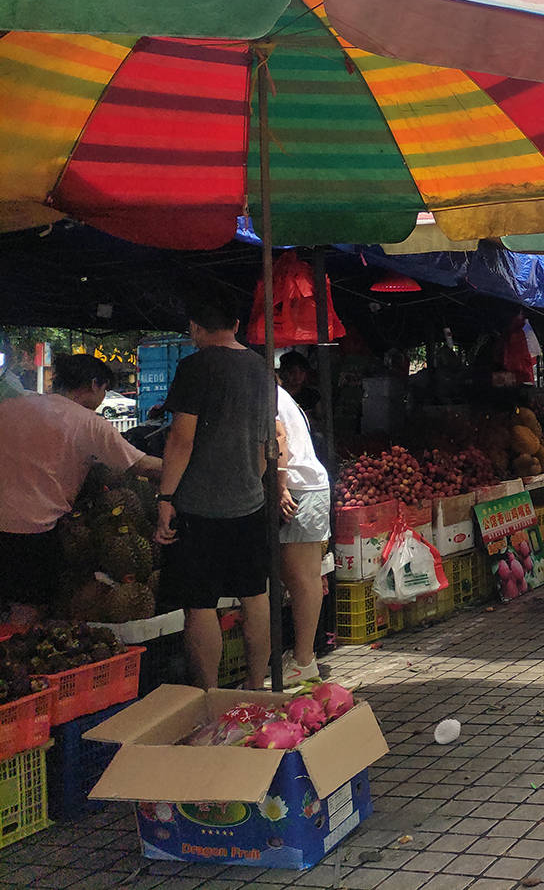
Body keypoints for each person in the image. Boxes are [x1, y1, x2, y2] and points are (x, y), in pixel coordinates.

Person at [155, 290, 276, 690]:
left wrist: (166, 498)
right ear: (237, 325)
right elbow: (265, 443)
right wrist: (253, 483)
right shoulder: (262, 368)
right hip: (250, 501)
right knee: (255, 595)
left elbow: (181, 440)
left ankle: (208, 693)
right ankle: (256, 686)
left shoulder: (195, 367)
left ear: (194, 328)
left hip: (200, 506)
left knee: (201, 603)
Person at [0, 354, 163, 626]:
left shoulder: (11, 406)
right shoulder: (87, 422)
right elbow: (142, 465)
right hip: (33, 529)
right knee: (28, 611)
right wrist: (188, 469)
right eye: (104, 391)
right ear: (94, 384)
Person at [274, 377, 329, 685]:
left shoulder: (267, 395)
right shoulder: (279, 395)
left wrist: (280, 486)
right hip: (305, 487)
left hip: (299, 488)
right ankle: (302, 656)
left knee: (303, 579)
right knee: (302, 578)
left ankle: (304, 659)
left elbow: (279, 439)